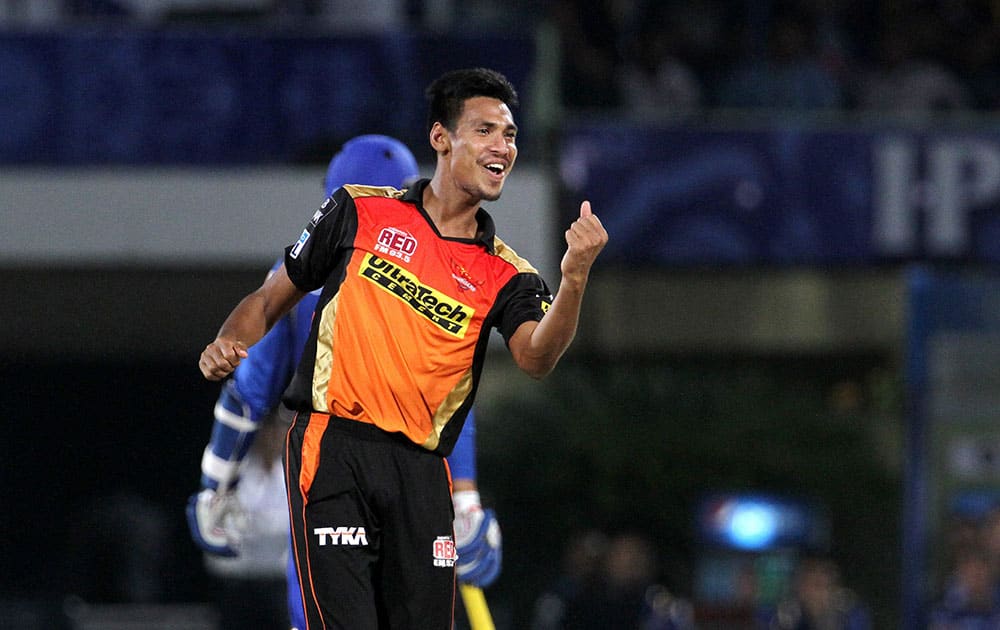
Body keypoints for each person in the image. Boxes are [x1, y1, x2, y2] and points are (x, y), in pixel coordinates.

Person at [198, 67, 607, 629]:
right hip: (332, 449)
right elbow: (270, 298)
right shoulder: (356, 212)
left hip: (422, 469)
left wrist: (575, 279)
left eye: (510, 135)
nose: (503, 147)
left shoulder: (509, 274)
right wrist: (229, 340)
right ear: (440, 138)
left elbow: (536, 358)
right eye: (486, 130)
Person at [188, 134, 504, 629]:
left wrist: (215, 485)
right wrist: (465, 501)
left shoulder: (307, 265)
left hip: (329, 475)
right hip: (409, 483)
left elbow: (248, 396)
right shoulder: (441, 269)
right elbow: (449, 403)